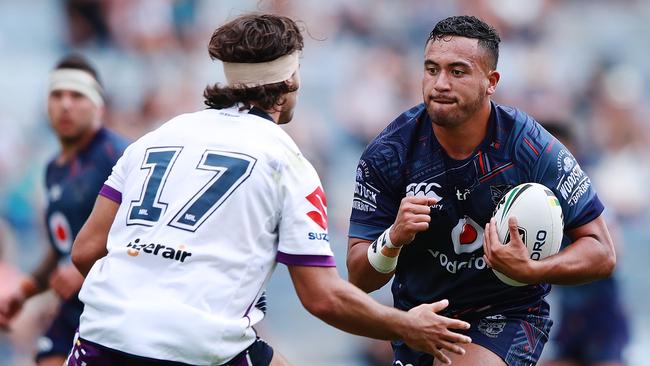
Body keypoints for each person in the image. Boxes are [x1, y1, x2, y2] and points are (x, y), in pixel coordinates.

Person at [65, 13, 472, 366]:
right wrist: (407, 325)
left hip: (102, 337)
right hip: (194, 347)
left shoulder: (153, 139)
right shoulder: (287, 163)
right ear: (291, 78)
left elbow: (85, 251)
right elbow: (323, 298)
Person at [346, 15, 616, 366]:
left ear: (491, 82)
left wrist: (533, 270)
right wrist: (393, 239)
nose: (440, 83)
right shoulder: (389, 154)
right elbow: (358, 277)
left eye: (457, 71)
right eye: (431, 69)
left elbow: (601, 252)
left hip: (507, 315)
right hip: (422, 320)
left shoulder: (529, 147)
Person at [0, 54, 129, 366]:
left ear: (99, 105)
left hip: (115, 307)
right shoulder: (52, 170)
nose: (66, 105)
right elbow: (62, 250)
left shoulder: (121, 157)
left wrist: (86, 269)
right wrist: (25, 291)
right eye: (57, 95)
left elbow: (142, 237)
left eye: (77, 95)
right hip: (74, 307)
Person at [540, 122, 629, 366]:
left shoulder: (588, 196)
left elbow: (613, 252)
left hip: (601, 313)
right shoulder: (534, 201)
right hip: (568, 315)